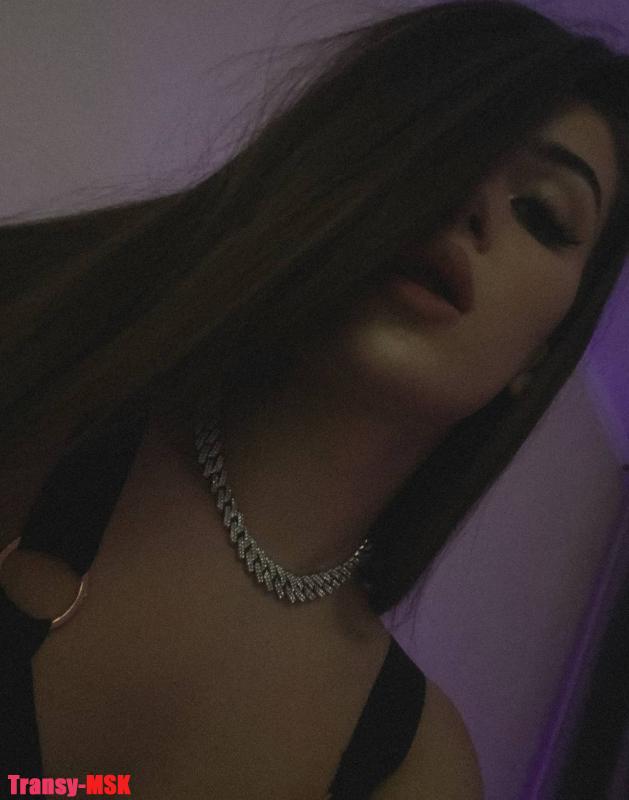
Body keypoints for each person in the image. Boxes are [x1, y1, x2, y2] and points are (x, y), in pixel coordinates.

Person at [1, 0, 628, 796]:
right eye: (442, 145)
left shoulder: (418, 770)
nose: (469, 201)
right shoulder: (36, 371)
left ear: (537, 358)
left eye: (539, 212)